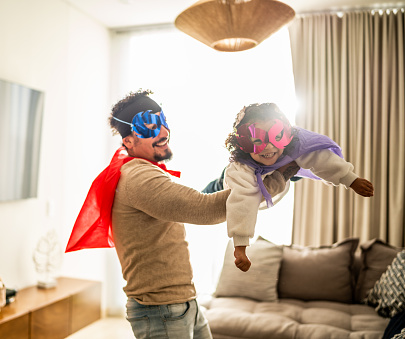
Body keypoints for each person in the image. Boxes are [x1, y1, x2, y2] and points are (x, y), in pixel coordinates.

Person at [65, 90, 297, 339]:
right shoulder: (139, 177)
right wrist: (278, 176)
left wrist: (236, 174)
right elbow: (204, 209)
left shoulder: (143, 171)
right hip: (161, 310)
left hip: (181, 303)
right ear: (128, 141)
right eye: (149, 127)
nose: (163, 132)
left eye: (163, 123)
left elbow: (197, 198)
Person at [224, 103, 374, 272]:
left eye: (276, 138)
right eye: (258, 140)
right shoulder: (240, 167)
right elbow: (242, 200)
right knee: (214, 191)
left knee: (300, 159)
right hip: (230, 183)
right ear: (244, 142)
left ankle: (292, 170)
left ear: (285, 133)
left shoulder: (296, 144)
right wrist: (240, 246)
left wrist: (350, 179)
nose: (268, 147)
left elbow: (321, 158)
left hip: (280, 171)